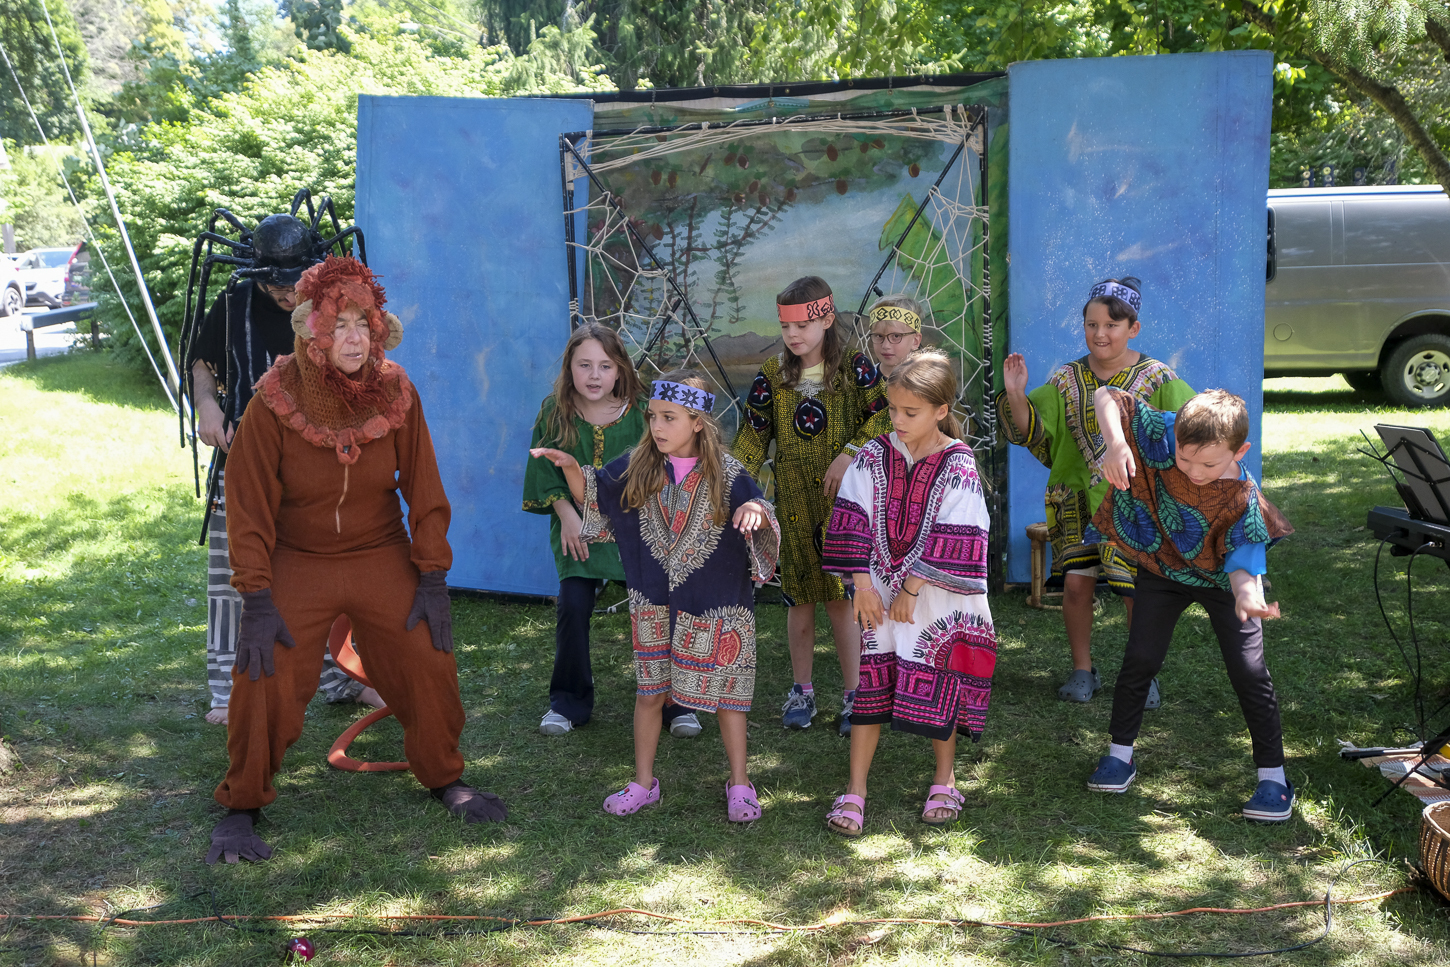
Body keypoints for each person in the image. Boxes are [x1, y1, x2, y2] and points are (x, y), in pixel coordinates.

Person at [205, 256, 506, 865]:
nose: (353, 337)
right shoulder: (274, 400)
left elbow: (425, 487)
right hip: (298, 557)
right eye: (338, 324)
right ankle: (242, 803)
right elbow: (248, 504)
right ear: (312, 329)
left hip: (379, 550)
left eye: (363, 324)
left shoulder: (397, 391)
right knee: (264, 670)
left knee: (427, 655)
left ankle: (446, 776)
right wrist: (256, 596)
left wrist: (432, 576)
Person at [530, 372, 780, 822]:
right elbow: (596, 498)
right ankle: (644, 783)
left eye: (669, 417)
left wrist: (753, 509)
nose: (657, 427)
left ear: (698, 422)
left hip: (718, 606)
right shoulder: (638, 466)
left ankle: (740, 783)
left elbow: (762, 509)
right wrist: (569, 467)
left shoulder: (729, 473)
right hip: (654, 604)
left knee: (729, 700)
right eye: (652, 417)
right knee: (649, 693)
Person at [187, 213, 380, 725]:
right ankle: (227, 689)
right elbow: (201, 363)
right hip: (242, 459)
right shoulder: (234, 303)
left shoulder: (334, 307)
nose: (287, 294)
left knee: (330, 571)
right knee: (232, 576)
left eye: (293, 284)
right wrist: (206, 406)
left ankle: (343, 676)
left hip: (318, 467)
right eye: (274, 286)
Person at [1086, 386, 1295, 822]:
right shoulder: (1167, 431)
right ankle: (1119, 755)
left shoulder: (1243, 500)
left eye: (1210, 464)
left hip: (1222, 583)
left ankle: (1273, 778)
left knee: (1249, 671)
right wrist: (1117, 443)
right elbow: (1107, 396)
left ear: (1241, 451)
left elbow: (1242, 567)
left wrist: (1247, 598)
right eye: (1184, 460)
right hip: (1164, 570)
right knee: (1140, 658)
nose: (1195, 472)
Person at [820, 351, 998, 836]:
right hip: (877, 591)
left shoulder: (959, 461)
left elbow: (962, 529)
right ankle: (855, 789)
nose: (897, 420)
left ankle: (945, 778)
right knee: (870, 682)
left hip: (940, 597)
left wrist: (913, 588)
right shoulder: (873, 454)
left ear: (941, 410)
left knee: (941, 677)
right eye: (893, 409)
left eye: (910, 412)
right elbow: (851, 517)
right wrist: (862, 585)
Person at [996, 277, 1194, 704]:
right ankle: (1082, 670)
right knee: (1075, 586)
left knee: (1136, 592)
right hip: (1075, 500)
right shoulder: (1067, 379)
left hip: (1136, 505)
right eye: (1091, 324)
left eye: (1111, 325)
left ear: (1133, 328)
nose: (1100, 334)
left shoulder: (1158, 377)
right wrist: (1015, 394)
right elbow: (1030, 429)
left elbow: (1191, 427)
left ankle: (1142, 676)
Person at [521, 324, 701, 738]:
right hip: (577, 529)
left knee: (662, 607)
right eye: (584, 365)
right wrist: (567, 515)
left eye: (605, 366)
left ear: (620, 368)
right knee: (573, 603)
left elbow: (668, 467)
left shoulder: (642, 414)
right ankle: (568, 702)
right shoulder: (554, 412)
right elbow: (543, 472)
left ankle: (677, 702)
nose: (594, 375)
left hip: (639, 531)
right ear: (569, 367)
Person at [734, 276, 892, 735]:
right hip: (793, 503)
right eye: (786, 326)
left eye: (802, 325)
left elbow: (885, 416)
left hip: (845, 505)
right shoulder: (772, 374)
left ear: (825, 319)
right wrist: (734, 486)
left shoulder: (856, 369)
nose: (793, 335)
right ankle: (801, 690)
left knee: (842, 599)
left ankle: (854, 694)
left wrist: (850, 452)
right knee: (799, 598)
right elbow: (752, 437)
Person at [864, 294, 925, 378]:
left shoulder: (927, 383)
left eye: (896, 336)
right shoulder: (863, 381)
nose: (885, 346)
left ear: (915, 341)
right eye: (879, 336)